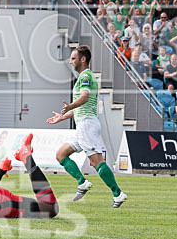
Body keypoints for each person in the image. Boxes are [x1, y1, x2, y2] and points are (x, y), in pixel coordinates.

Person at [46, 46, 127, 207]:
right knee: (61, 154)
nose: (70, 61)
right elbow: (81, 106)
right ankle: (82, 182)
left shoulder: (86, 76)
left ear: (83, 59)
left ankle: (117, 193)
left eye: (73, 58)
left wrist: (70, 107)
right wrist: (62, 117)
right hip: (83, 123)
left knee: (97, 162)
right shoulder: (84, 77)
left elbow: (84, 97)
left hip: (87, 125)